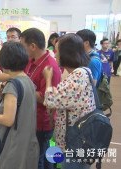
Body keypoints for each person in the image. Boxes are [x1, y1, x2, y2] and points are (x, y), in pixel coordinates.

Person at [0, 42, 39, 169]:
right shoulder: (27, 80)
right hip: (28, 142)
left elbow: (8, 120)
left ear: (4, 62)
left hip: (14, 146)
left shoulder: (12, 85)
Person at [43, 33, 95, 169]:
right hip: (79, 137)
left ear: (67, 54)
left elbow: (50, 100)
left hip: (75, 141)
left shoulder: (78, 75)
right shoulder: (82, 72)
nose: (55, 55)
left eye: (58, 51)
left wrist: (48, 78)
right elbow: (66, 98)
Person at [21, 28, 61, 169]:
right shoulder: (32, 60)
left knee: (40, 157)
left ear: (33, 46)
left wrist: (23, 88)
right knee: (36, 155)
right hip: (32, 118)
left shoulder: (50, 67)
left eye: (23, 45)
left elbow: (47, 98)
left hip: (42, 121)